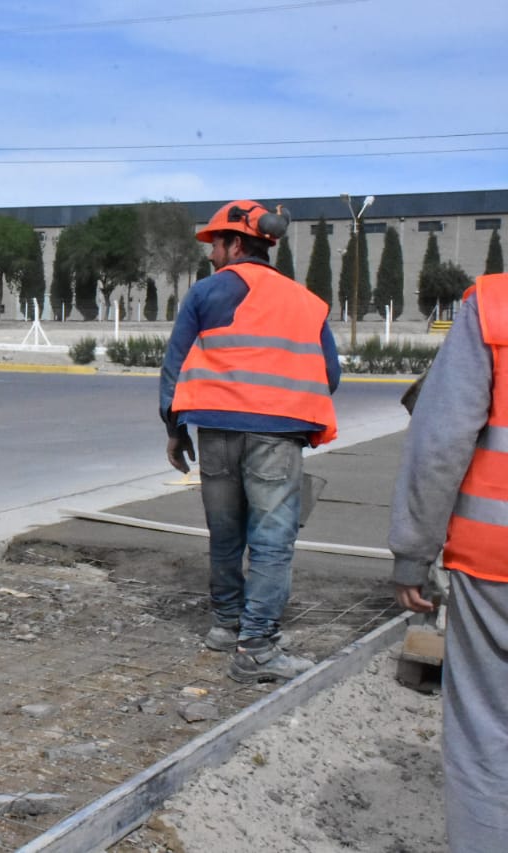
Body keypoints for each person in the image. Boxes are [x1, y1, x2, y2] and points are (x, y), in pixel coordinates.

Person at [159, 200, 340, 684]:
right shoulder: (306, 301)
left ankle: (226, 625)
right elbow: (330, 374)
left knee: (226, 533)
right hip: (276, 436)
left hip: (215, 431)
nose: (212, 255)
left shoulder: (205, 293)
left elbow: (175, 366)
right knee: (271, 541)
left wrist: (175, 430)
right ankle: (256, 645)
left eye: (215, 245)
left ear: (236, 243)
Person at [390, 272, 508, 851]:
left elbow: (440, 442)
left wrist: (413, 552)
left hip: (497, 568)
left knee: (486, 737)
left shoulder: (494, 305)